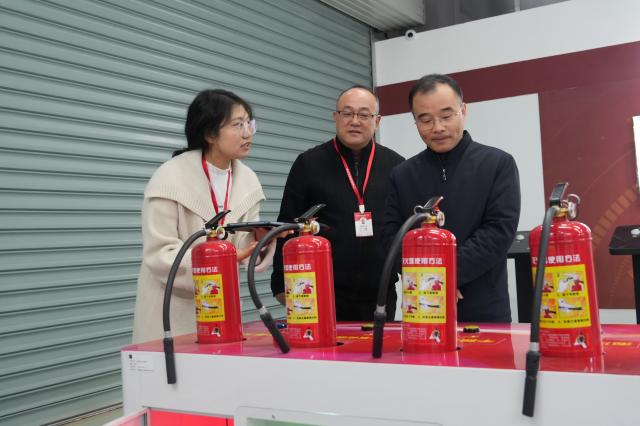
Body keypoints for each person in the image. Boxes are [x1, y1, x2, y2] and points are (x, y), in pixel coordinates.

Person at [132, 89, 270, 343]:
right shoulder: (170, 178)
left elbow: (242, 243)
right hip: (173, 309)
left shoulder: (248, 181)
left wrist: (261, 240)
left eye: (249, 123)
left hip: (222, 304)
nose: (248, 133)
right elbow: (159, 253)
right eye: (237, 124)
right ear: (209, 134)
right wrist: (217, 260)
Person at [383, 74, 520, 322]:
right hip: (422, 305)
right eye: (425, 120)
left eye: (446, 116)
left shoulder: (497, 164)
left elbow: (498, 231)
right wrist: (429, 279)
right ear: (415, 121)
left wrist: (446, 275)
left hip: (483, 307)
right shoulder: (402, 175)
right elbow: (391, 236)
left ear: (463, 111)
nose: (437, 128)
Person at [270, 86, 404, 321]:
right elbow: (287, 225)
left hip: (381, 292)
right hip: (322, 291)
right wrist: (281, 283)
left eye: (364, 115)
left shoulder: (396, 166)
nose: (355, 121)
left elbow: (404, 229)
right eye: (347, 113)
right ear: (335, 117)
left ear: (377, 121)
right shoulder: (308, 164)